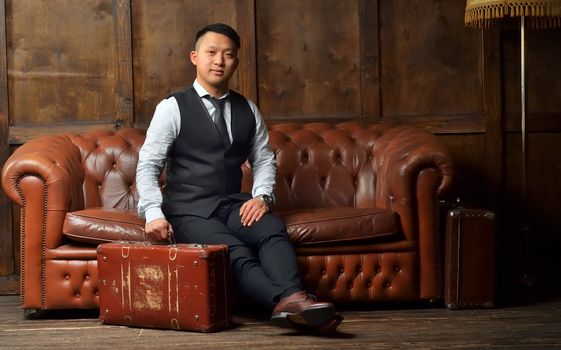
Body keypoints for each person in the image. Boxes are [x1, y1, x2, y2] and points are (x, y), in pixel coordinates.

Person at [136, 23, 342, 333]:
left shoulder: (248, 109)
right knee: (234, 250)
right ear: (195, 57)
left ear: (236, 62)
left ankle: (296, 302)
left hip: (232, 202)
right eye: (211, 53)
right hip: (187, 208)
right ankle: (289, 302)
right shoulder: (172, 108)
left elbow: (263, 159)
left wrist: (262, 197)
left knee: (271, 228)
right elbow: (148, 165)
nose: (219, 61)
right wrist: (153, 213)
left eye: (228, 55)